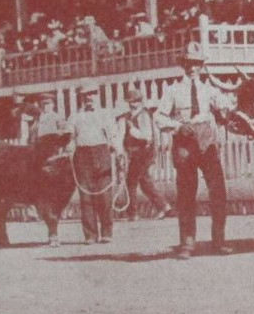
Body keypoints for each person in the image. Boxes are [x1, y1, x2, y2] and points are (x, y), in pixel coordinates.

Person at [155, 42, 234, 258]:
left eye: (197, 64)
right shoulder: (173, 90)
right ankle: (187, 243)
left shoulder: (210, 90)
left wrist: (224, 111)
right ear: (183, 65)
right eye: (189, 64)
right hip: (185, 143)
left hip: (207, 144)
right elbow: (159, 116)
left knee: (218, 191)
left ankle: (218, 241)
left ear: (202, 66)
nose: (193, 69)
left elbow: (227, 106)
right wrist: (178, 125)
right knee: (186, 194)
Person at [67, 88, 122, 243]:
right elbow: (71, 137)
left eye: (92, 94)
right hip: (82, 156)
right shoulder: (75, 117)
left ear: (97, 96)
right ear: (82, 98)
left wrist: (118, 152)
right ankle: (90, 235)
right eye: (86, 95)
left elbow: (113, 134)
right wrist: (70, 146)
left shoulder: (104, 114)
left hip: (101, 153)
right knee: (86, 197)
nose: (89, 98)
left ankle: (107, 232)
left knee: (104, 195)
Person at [119, 85, 170, 220]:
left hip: (143, 152)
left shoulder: (143, 115)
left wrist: (132, 131)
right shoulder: (133, 115)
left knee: (132, 181)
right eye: (130, 101)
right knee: (144, 181)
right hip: (138, 153)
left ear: (140, 101)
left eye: (135, 101)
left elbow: (146, 136)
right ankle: (162, 206)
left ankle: (133, 213)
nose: (132, 104)